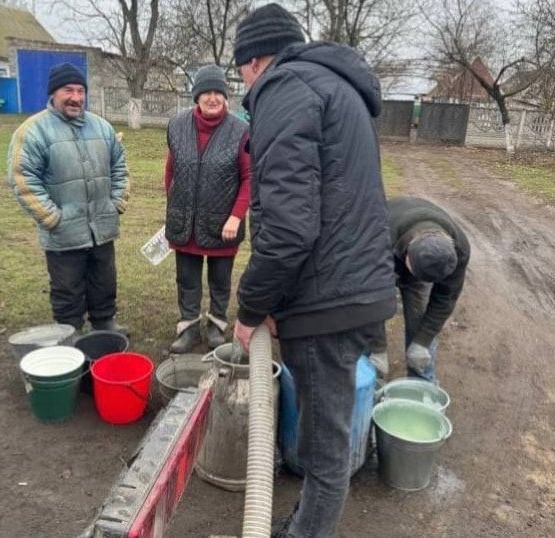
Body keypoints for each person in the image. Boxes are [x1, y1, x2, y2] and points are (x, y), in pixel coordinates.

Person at [232, 5, 396, 537]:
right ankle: (300, 524)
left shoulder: (286, 90)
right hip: (354, 288)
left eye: (241, 73)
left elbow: (288, 228)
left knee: (324, 455)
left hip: (327, 301)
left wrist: (252, 306)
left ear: (255, 60)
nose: (243, 85)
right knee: (320, 437)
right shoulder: (337, 87)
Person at [8, 62, 129, 333]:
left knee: (103, 281)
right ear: (53, 94)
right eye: (68, 90)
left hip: (102, 226)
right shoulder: (33, 131)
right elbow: (23, 179)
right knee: (67, 288)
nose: (76, 97)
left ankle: (104, 322)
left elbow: (119, 166)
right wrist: (52, 217)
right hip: (63, 231)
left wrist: (116, 202)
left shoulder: (102, 128)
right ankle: (69, 333)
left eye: (80, 90)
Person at [164, 65, 251, 353]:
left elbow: (250, 178)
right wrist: (176, 207)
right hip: (185, 222)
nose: (212, 98)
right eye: (206, 92)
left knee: (220, 280)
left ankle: (216, 326)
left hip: (223, 223)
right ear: (196, 97)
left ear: (226, 97)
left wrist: (236, 217)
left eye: (218, 93)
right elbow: (171, 171)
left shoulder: (241, 131)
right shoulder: (177, 126)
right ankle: (188, 328)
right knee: (186, 279)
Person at [369, 196, 470, 383]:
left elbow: (445, 299)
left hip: (410, 243)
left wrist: (422, 342)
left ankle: (422, 382)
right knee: (370, 339)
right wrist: (377, 347)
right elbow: (369, 297)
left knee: (420, 322)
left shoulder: (460, 248)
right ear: (407, 256)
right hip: (383, 248)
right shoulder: (377, 239)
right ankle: (372, 381)